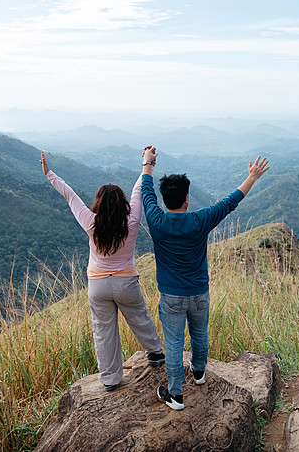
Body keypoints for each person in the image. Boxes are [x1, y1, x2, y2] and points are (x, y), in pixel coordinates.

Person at [140, 146, 269, 410]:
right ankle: (199, 373)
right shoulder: (200, 220)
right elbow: (230, 202)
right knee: (200, 333)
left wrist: (148, 164)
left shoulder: (156, 220)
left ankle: (175, 395)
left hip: (171, 296)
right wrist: (252, 177)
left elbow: (146, 193)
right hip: (199, 292)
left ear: (165, 201)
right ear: (187, 199)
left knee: (174, 345)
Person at [41, 150, 165, 391]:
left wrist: (49, 174)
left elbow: (70, 195)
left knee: (103, 330)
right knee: (139, 317)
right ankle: (156, 352)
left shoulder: (91, 222)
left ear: (98, 203)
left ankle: (110, 379)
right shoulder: (132, 221)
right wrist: (147, 163)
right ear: (122, 204)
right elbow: (140, 190)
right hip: (126, 283)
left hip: (97, 285)